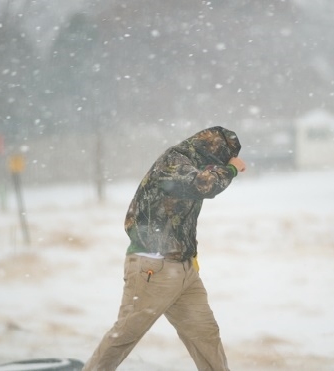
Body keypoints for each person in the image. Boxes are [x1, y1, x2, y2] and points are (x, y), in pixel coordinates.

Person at [83, 126, 246, 371]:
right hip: (153, 267)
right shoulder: (173, 162)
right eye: (221, 159)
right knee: (126, 334)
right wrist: (232, 168)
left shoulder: (194, 164)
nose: (221, 165)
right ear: (212, 151)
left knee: (205, 335)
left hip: (185, 270)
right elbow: (203, 185)